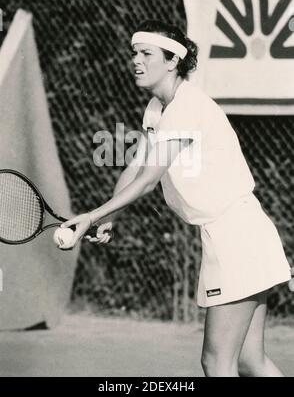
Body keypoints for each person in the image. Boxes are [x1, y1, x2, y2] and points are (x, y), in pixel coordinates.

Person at [62, 20, 291, 377]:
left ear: (172, 62)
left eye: (146, 53)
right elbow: (137, 168)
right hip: (240, 234)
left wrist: (91, 216)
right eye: (133, 53)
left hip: (237, 237)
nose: (135, 60)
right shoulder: (158, 109)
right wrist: (111, 216)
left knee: (217, 362)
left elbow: (150, 181)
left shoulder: (187, 107)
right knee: (248, 360)